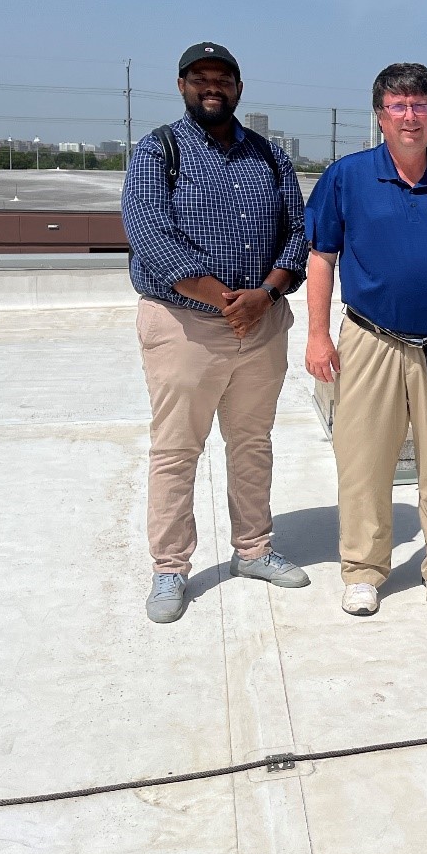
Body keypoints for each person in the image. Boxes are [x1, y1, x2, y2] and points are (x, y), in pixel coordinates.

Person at [122, 41, 311, 625]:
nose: (213, 87)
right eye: (200, 78)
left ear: (239, 86)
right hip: (184, 326)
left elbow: (297, 231)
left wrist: (266, 294)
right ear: (181, 85)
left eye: (223, 78)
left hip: (261, 321)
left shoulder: (269, 156)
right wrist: (224, 299)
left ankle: (253, 550)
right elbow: (150, 232)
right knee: (177, 449)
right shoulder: (160, 150)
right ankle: (170, 567)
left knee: (252, 443)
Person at [304, 62, 427, 617]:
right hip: (369, 340)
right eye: (398, 106)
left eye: (419, 105)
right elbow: (322, 257)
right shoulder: (347, 177)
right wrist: (318, 336)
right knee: (363, 461)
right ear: (380, 116)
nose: (409, 116)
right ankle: (364, 569)